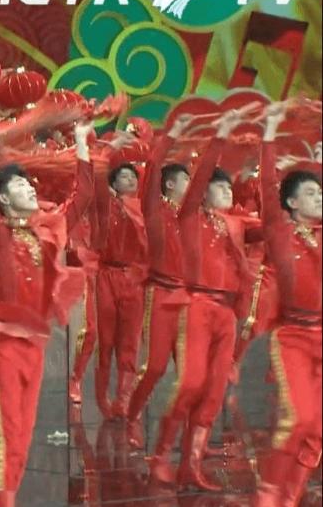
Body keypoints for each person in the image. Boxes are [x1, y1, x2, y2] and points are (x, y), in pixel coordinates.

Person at [0, 123, 93, 507]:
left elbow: (81, 198)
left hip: (34, 346)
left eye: (29, 183)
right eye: (20, 185)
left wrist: (81, 142)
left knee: (22, 440)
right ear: (2, 198)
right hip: (4, 346)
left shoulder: (43, 233)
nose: (31, 188)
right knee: (2, 438)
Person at [147, 110, 248, 490]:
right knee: (190, 384)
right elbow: (202, 176)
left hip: (226, 315)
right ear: (203, 191)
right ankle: (161, 455)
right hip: (198, 307)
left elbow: (276, 222)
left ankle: (192, 465)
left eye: (229, 188)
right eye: (221, 188)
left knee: (214, 391)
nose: (228, 193)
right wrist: (219, 137)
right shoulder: (189, 217)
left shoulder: (236, 224)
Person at [251, 102, 321, 507]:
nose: (319, 197)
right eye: (311, 193)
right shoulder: (280, 233)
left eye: (320, 192)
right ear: (292, 203)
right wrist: (270, 132)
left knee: (318, 430)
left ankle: (290, 496)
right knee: (300, 419)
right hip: (293, 336)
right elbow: (266, 187)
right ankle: (268, 494)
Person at [124, 115, 195, 445]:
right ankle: (132, 417)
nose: (192, 186)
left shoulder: (192, 216)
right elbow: (152, 170)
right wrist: (170, 137)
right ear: (169, 185)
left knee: (191, 373)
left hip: (188, 298)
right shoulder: (156, 210)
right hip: (161, 295)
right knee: (154, 367)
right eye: (186, 181)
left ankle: (190, 437)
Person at [93, 159, 148, 418]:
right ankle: (102, 397)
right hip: (107, 276)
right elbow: (95, 182)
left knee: (129, 343)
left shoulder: (144, 209)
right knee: (106, 341)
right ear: (113, 183)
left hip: (134, 279)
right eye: (124, 176)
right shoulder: (106, 206)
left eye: (133, 176)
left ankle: (124, 399)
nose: (130, 180)